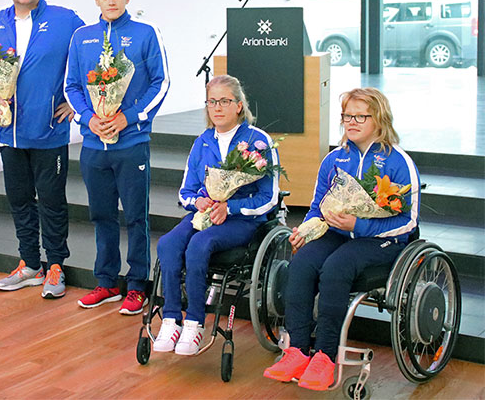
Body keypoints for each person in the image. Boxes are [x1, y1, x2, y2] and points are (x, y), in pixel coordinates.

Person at [263, 87, 420, 391]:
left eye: (361, 116)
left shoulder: (399, 161)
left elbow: (409, 221)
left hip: (380, 240)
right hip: (337, 233)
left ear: (379, 118)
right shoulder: (334, 159)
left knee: (336, 267)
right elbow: (316, 208)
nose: (352, 122)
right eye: (348, 116)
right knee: (303, 262)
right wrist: (305, 231)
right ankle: (296, 350)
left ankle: (324, 356)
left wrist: (359, 225)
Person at [0, 0, 83, 299]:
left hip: (49, 130)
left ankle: (56, 266)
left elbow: (90, 57)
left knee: (51, 201)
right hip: (10, 132)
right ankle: (30, 264)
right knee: (19, 200)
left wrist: (76, 103)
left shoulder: (65, 20)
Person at [65, 0, 169, 315]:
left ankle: (137, 284)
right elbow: (72, 87)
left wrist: (129, 117)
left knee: (136, 216)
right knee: (102, 215)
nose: (111, 2)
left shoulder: (145, 33)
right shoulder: (81, 37)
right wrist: (89, 120)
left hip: (131, 142)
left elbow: (161, 83)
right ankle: (106, 282)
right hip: (94, 145)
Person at [154, 75, 280, 354]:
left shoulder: (258, 141)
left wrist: (230, 207)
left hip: (242, 220)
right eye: (212, 102)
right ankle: (172, 318)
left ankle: (195, 322)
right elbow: (185, 191)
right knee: (168, 243)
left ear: (238, 105)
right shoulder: (202, 142)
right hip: (206, 214)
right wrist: (198, 202)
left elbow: (268, 198)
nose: (217, 107)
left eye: (224, 101)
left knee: (200, 244)